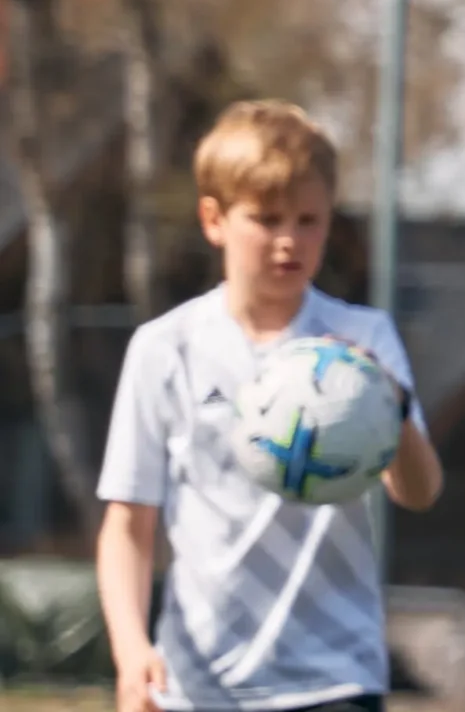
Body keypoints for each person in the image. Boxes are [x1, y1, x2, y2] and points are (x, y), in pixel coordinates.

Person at [97, 100, 444, 712]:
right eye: (267, 218)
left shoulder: (363, 344)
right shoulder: (165, 349)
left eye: (309, 220)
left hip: (333, 676)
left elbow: (419, 492)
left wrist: (390, 404)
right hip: (196, 683)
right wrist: (130, 652)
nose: (290, 241)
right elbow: (128, 527)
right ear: (215, 219)